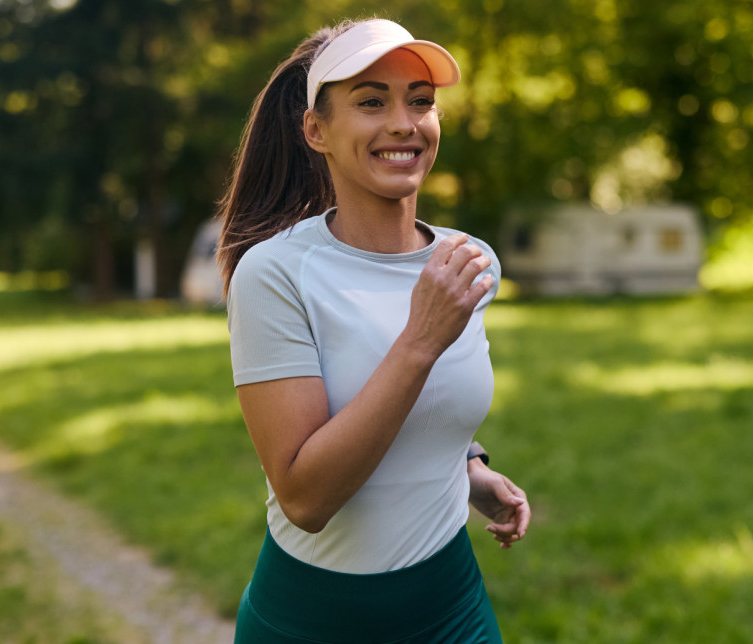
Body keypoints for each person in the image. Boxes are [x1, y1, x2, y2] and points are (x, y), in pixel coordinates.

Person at [215, 18, 531, 643]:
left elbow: (428, 402)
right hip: (313, 621)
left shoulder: (471, 265)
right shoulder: (277, 274)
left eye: (421, 102)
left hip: (452, 611)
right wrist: (418, 340)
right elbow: (307, 498)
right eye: (370, 102)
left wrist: (466, 466)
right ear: (316, 130)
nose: (403, 123)